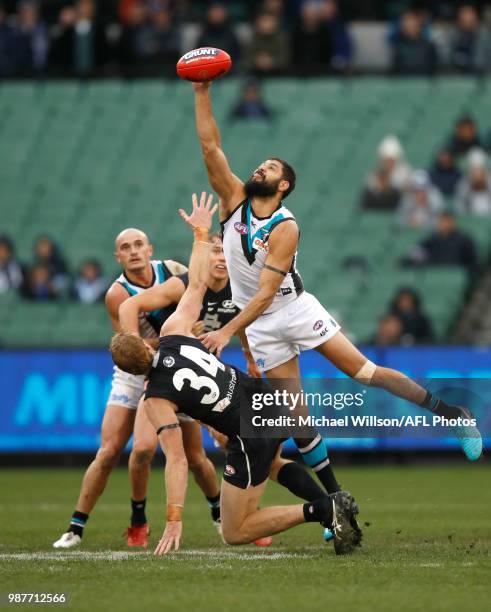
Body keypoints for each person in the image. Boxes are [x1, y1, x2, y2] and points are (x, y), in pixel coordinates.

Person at [191, 80, 482, 465]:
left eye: (271, 167)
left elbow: (263, 294)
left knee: (364, 372)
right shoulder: (233, 201)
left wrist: (227, 331)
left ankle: (454, 415)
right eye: (262, 163)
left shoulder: (284, 226)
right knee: (298, 419)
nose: (261, 167)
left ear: (283, 185)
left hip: (292, 309)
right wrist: (201, 91)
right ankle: (334, 504)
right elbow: (211, 147)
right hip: (258, 324)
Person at [110, 194, 361, 555]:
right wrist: (199, 234)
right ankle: (332, 504)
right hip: (264, 398)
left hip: (246, 432)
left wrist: (174, 517)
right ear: (147, 346)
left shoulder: (155, 399)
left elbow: (177, 461)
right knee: (274, 465)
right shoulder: (176, 332)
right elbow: (195, 285)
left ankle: (323, 509)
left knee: (235, 530)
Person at [53, 228, 220, 550]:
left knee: (196, 456)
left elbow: (199, 301)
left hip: (174, 371)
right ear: (118, 256)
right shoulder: (117, 294)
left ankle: (219, 514)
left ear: (150, 249)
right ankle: (85, 526)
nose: (133, 251)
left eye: (138, 245)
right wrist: (181, 333)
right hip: (135, 373)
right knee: (112, 451)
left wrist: (194, 330)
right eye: (125, 247)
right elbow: (131, 350)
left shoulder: (172, 272)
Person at [407, 212, 478, 274]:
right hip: (434, 272)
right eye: (441, 222)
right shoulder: (431, 239)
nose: (444, 224)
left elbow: (471, 261)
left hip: (455, 273)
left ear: (453, 223)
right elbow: (417, 252)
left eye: (447, 221)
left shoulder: (464, 239)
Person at [391, 10, 438, 75]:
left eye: (413, 23)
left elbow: (434, 69)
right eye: (406, 23)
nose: (410, 26)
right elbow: (396, 70)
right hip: (404, 82)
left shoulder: (429, 46)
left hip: (425, 81)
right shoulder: (398, 46)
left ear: (419, 25)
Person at [448, 4, 491, 74]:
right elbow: (447, 58)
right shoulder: (453, 35)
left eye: (470, 20)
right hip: (456, 75)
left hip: (480, 75)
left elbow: (485, 61)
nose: (467, 22)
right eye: (463, 20)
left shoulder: (485, 36)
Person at [455, 148, 491, 216]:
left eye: (480, 170)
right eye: (474, 171)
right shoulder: (463, 184)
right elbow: (459, 207)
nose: (477, 174)